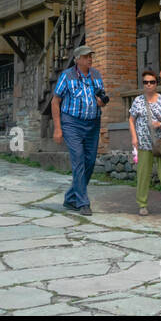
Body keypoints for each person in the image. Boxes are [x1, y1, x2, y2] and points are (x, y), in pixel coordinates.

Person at [52, 45, 109, 215]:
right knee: (78, 160)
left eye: (90, 56)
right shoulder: (67, 76)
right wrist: (57, 128)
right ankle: (83, 202)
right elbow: (55, 101)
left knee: (90, 162)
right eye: (85, 57)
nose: (89, 59)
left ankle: (71, 198)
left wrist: (102, 102)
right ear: (77, 60)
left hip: (92, 123)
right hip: (72, 123)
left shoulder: (96, 75)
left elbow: (102, 98)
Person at [128, 70, 161, 218]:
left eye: (152, 82)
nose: (149, 85)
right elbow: (131, 120)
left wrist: (160, 123)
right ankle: (142, 204)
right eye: (146, 82)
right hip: (144, 142)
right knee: (143, 174)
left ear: (156, 84)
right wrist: (134, 137)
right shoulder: (138, 101)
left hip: (160, 142)